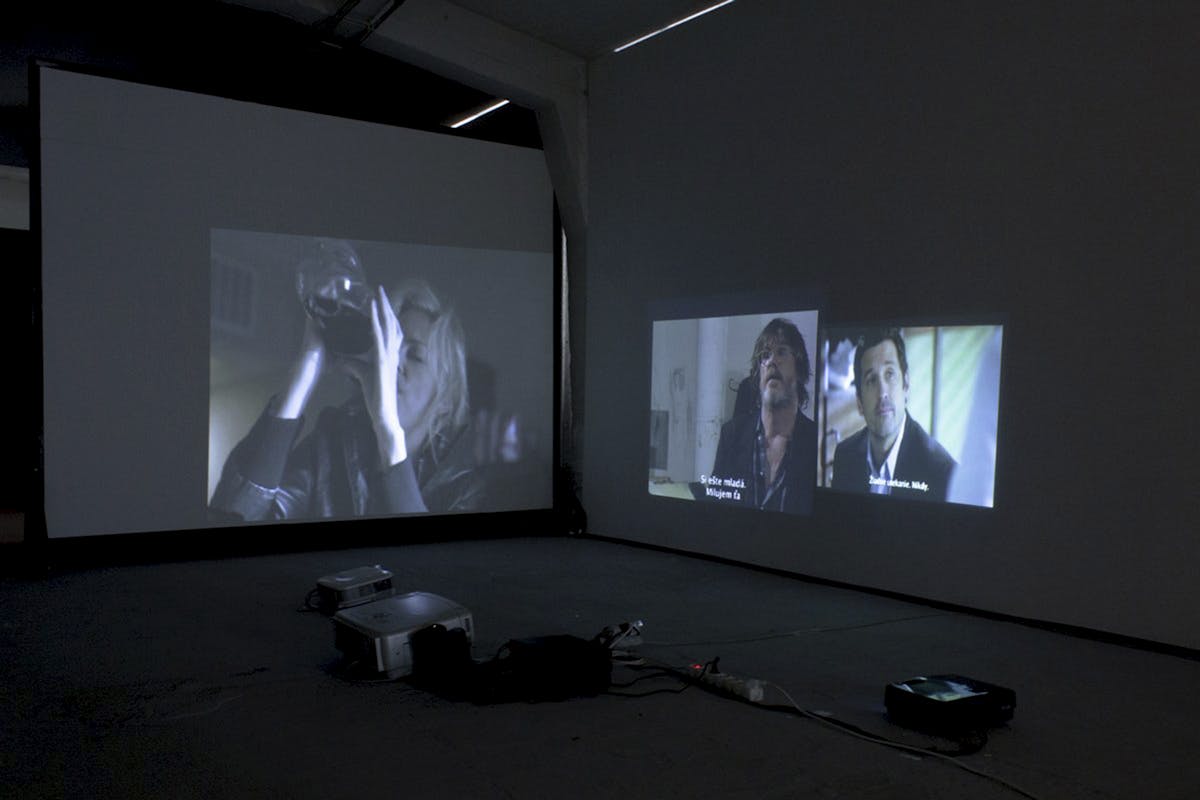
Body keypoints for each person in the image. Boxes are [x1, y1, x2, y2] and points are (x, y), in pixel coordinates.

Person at [210, 245, 482, 521]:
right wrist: (306, 369)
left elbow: (428, 550)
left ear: (446, 400)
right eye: (391, 347)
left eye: (416, 355)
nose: (393, 363)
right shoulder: (331, 443)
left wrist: (388, 430)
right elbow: (233, 517)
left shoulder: (465, 484)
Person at [831, 328, 956, 501]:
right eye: (871, 380)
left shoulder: (942, 472)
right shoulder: (844, 455)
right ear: (859, 402)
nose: (882, 392)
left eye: (889, 374)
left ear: (906, 385)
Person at [709, 318, 817, 513]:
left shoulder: (816, 442)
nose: (771, 361)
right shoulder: (731, 435)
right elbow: (713, 509)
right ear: (758, 373)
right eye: (765, 355)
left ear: (799, 368)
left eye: (781, 352)